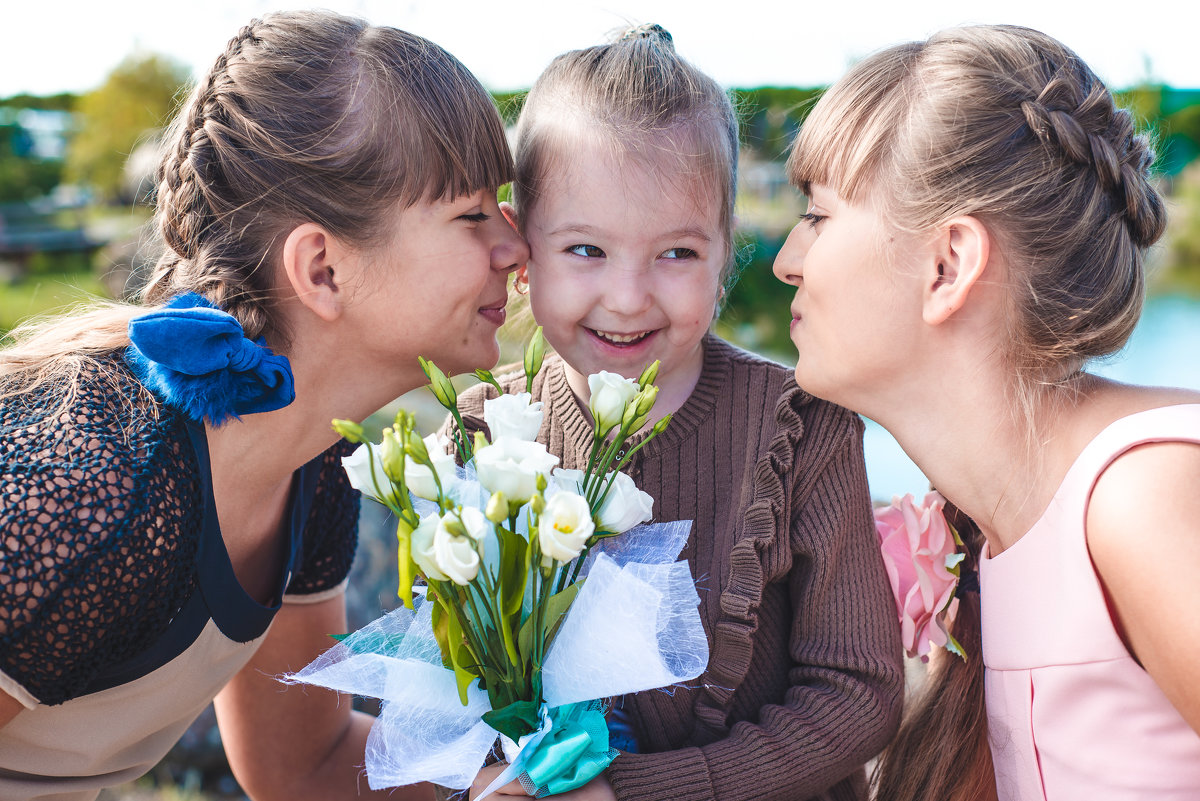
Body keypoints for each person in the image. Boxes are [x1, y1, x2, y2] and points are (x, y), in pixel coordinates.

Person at [0, 10, 528, 801]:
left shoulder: (310, 469)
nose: (516, 245)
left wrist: (525, 783)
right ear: (321, 268)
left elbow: (302, 765)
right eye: (471, 213)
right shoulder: (87, 493)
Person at [453, 24, 904, 801]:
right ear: (523, 247)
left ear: (727, 248)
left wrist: (641, 791)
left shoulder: (802, 427)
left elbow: (858, 692)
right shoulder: (487, 429)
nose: (628, 298)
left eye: (677, 254)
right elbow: (456, 682)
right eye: (586, 251)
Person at [774, 23, 1200, 801]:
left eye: (819, 215)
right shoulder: (993, 532)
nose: (784, 262)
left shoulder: (1142, 499)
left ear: (948, 264)